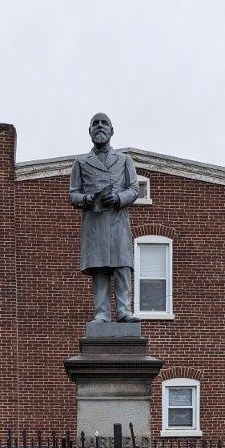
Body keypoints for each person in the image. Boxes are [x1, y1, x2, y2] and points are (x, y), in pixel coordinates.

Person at [69, 113, 140, 322]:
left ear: (111, 131)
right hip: (95, 223)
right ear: (90, 131)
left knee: (122, 266)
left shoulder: (125, 160)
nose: (100, 126)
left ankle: (124, 311)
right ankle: (102, 314)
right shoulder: (81, 162)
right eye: (95, 124)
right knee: (99, 269)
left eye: (104, 123)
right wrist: (88, 199)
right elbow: (73, 194)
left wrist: (118, 198)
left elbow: (134, 189)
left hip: (118, 221)